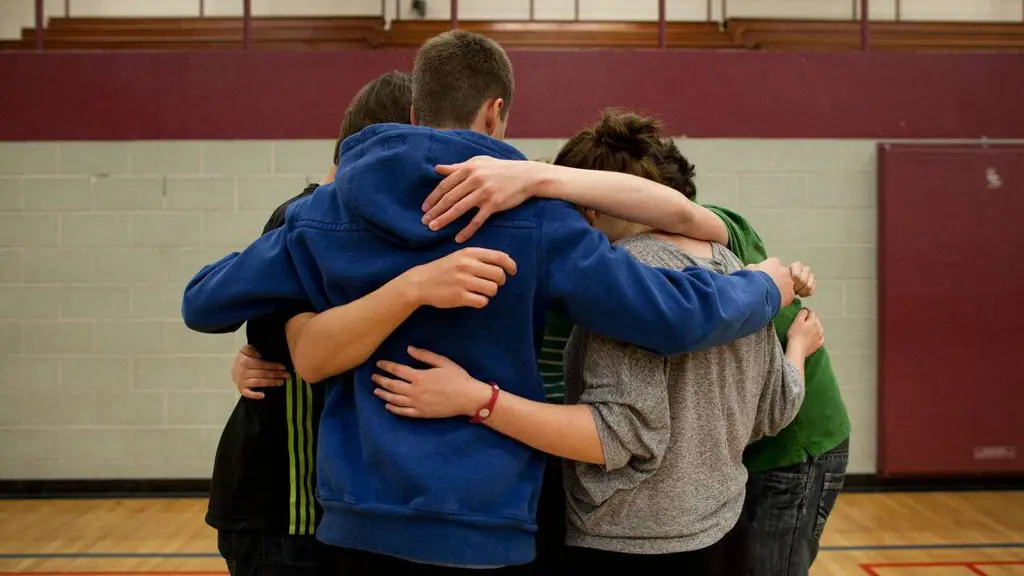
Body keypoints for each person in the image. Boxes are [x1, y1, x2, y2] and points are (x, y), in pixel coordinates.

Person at [182, 30, 795, 572]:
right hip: (487, 515)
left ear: (416, 110)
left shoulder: (325, 212)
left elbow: (204, 302)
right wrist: (766, 284)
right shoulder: (533, 219)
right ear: (497, 112)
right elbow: (675, 317)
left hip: (357, 516)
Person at [371, 111, 821, 574]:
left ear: (586, 204)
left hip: (631, 537)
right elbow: (777, 407)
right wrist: (798, 348)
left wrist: (477, 400)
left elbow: (616, 435)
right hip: (719, 526)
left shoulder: (623, 281)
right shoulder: (744, 269)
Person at [205, 71, 520, 576]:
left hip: (358, 501)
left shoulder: (406, 230)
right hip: (291, 505)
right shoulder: (305, 221)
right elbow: (286, 344)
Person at [654, 139, 851, 576]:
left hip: (794, 443)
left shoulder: (720, 229)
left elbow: (774, 408)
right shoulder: (653, 260)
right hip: (747, 450)